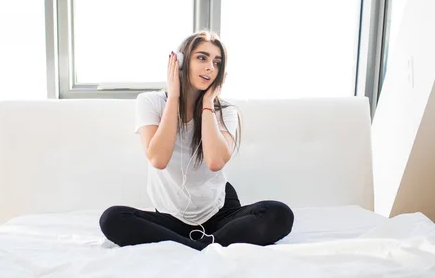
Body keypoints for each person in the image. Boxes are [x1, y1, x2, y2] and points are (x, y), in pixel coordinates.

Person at [100, 31, 294, 250]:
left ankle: (193, 245)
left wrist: (208, 103)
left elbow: (214, 162)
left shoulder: (226, 112)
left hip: (220, 212)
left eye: (217, 62)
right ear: (181, 63)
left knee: (279, 214)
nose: (210, 67)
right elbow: (158, 159)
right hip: (171, 216)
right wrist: (174, 96)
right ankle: (205, 245)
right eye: (202, 58)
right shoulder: (151, 102)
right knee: (112, 219)